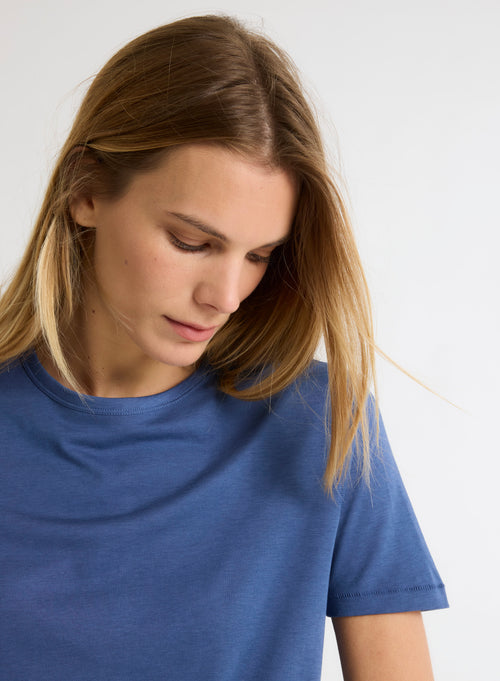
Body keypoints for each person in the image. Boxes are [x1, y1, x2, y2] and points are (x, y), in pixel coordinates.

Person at [0, 14, 448, 681]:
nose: (227, 295)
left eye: (259, 255)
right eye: (192, 242)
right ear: (85, 191)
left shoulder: (321, 423)